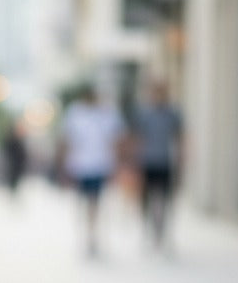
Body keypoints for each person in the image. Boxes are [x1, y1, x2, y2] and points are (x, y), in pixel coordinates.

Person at [58, 85, 126, 254]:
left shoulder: (107, 113)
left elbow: (117, 139)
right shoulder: (75, 113)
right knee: (84, 201)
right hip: (80, 166)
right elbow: (67, 139)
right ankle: (88, 233)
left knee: (96, 201)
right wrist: (63, 165)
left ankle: (93, 235)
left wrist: (119, 163)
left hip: (100, 165)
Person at [132, 80, 183, 247]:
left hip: (165, 162)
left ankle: (161, 232)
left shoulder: (173, 113)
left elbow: (180, 138)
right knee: (146, 200)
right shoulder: (144, 114)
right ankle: (148, 230)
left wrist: (182, 160)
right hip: (147, 162)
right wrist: (135, 162)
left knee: (164, 200)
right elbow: (138, 139)